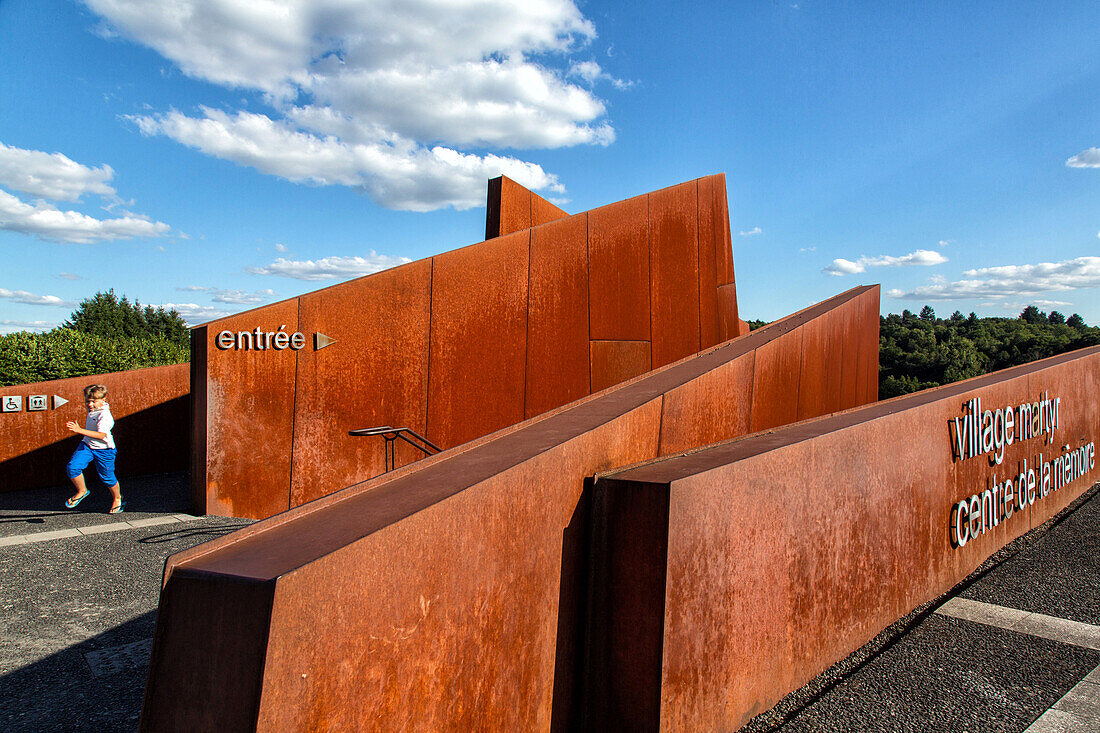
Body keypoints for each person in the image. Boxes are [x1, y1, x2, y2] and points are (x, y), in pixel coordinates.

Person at [64, 384, 124, 514]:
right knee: (73, 467)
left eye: (94, 401)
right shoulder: (93, 409)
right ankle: (82, 490)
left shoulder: (105, 416)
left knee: (107, 477)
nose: (90, 404)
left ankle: (117, 498)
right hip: (87, 445)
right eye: (88, 401)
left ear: (104, 399)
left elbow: (101, 435)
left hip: (104, 450)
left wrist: (79, 430)